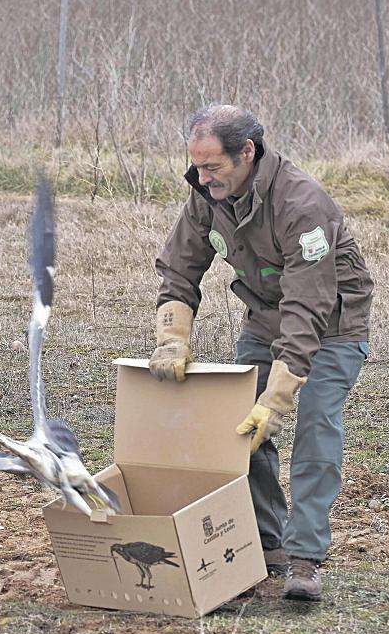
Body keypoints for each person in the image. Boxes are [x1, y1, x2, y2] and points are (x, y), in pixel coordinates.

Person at [149, 104, 374, 602]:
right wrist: (172, 337)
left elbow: (308, 307)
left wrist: (276, 400)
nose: (203, 178)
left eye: (213, 166)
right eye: (197, 166)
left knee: (314, 425)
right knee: (239, 428)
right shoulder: (208, 196)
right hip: (266, 316)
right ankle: (266, 543)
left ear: (247, 152)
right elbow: (179, 269)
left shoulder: (302, 204)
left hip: (332, 324)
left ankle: (304, 558)